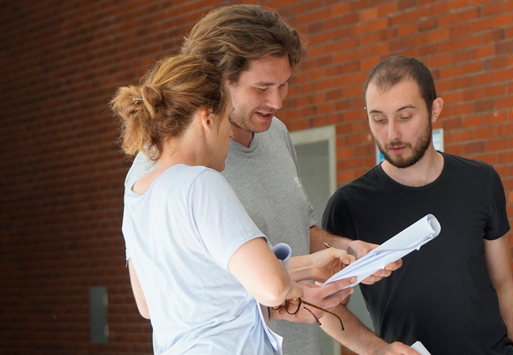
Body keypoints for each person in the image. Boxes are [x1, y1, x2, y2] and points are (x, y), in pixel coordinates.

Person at [125, 5, 402, 355]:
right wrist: (292, 278)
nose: (277, 101)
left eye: (284, 85)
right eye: (262, 87)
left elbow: (294, 239)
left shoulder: (276, 135)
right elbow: (156, 299)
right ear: (214, 86)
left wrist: (343, 252)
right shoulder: (168, 171)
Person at [112, 55, 355, 354]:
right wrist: (295, 292)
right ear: (207, 119)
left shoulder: (137, 195)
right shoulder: (201, 183)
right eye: (227, 118)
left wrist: (284, 296)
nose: (229, 133)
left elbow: (152, 303)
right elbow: (272, 286)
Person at [322, 56, 513, 355]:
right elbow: (325, 307)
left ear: (435, 109)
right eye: (379, 119)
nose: (391, 134)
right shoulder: (348, 205)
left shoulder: (481, 181)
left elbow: (503, 283)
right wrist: (376, 349)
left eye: (405, 117)